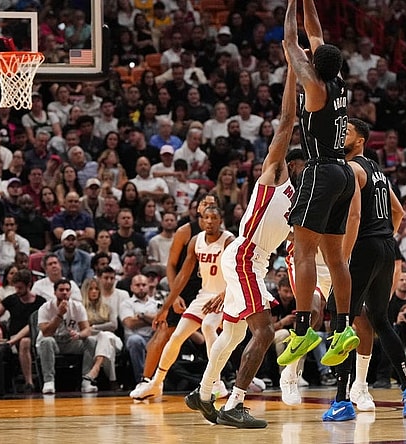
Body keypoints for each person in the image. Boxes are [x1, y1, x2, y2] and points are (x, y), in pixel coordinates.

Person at [184, 66, 300, 428]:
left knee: (234, 333)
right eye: (300, 163)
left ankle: (203, 392)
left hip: (251, 261)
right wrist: (293, 72)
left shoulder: (301, 202)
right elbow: (286, 121)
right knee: (264, 332)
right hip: (245, 256)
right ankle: (235, 403)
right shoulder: (275, 175)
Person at [322, 117, 406, 422]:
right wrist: (384, 238)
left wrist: (343, 258)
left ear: (360, 140)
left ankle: (342, 401)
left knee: (340, 317)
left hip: (365, 248)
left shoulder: (352, 169)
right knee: (380, 319)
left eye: (347, 132)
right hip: (386, 247)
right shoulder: (376, 170)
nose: (341, 135)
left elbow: (354, 217)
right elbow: (399, 212)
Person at [277, 0, 357, 369]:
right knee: (336, 258)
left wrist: (291, 5)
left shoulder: (314, 86)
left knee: (303, 252)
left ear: (314, 65)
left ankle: (303, 330)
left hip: (321, 171)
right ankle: (342, 327)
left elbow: (290, 42)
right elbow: (316, 33)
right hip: (343, 172)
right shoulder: (338, 82)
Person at [130, 206, 234, 401]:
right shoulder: (196, 241)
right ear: (201, 220)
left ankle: (216, 383)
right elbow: (182, 276)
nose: (209, 221)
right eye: (206, 217)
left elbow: (237, 274)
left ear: (221, 220)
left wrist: (224, 294)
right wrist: (165, 307)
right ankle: (156, 383)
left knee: (208, 326)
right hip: (204, 295)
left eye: (214, 217)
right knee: (177, 336)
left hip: (225, 294)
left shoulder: (229, 241)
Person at [36, 278, 98, 394]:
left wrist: (79, 335)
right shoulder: (45, 308)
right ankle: (49, 381)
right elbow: (46, 333)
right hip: (53, 343)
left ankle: (86, 380)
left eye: (67, 290)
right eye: (61, 290)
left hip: (70, 342)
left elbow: (87, 330)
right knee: (46, 341)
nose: (64, 292)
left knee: (91, 341)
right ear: (54, 292)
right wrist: (59, 315)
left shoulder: (77, 306)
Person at [0, 270, 46, 393]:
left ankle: (29, 382)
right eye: (16, 288)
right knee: (21, 342)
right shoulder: (12, 299)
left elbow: (35, 324)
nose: (17, 291)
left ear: (28, 285)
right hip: (14, 337)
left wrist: (14, 340)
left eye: (20, 288)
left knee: (26, 339)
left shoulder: (40, 302)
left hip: (35, 337)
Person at [80, 278, 124, 389]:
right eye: (91, 289)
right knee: (108, 347)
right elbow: (83, 328)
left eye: (96, 289)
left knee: (105, 336)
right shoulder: (81, 308)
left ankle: (96, 368)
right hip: (94, 341)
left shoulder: (107, 307)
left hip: (113, 338)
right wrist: (103, 326)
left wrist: (94, 327)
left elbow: (114, 325)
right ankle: (113, 381)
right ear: (85, 291)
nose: (94, 291)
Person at [120, 274, 161, 383]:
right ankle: (143, 379)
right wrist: (152, 320)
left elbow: (162, 322)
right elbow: (130, 323)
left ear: (148, 286)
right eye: (137, 285)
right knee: (135, 340)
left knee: (166, 338)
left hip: (154, 337)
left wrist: (142, 315)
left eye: (143, 285)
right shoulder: (126, 304)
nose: (141, 287)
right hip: (135, 338)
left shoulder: (156, 303)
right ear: (131, 287)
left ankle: (162, 380)